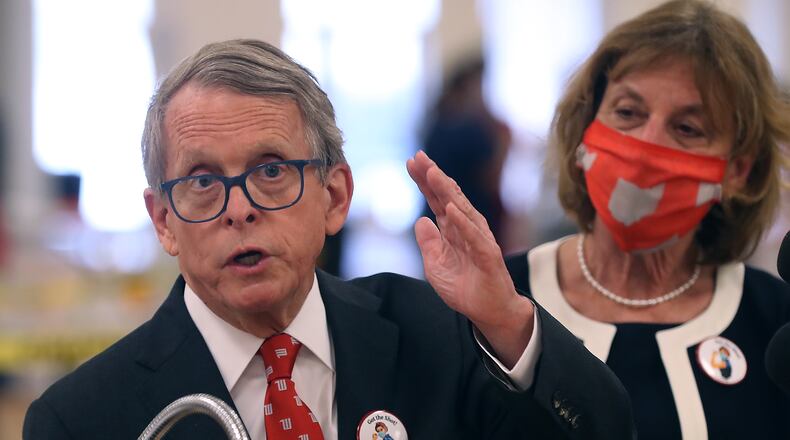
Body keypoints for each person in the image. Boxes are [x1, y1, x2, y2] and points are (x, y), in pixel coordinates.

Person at [22, 40, 634, 439]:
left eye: (270, 171)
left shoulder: (436, 334)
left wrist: (508, 323)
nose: (240, 210)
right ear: (162, 221)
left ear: (335, 197)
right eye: (204, 181)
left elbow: (607, 430)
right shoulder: (79, 419)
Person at [504, 1, 790, 439]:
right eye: (627, 113)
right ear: (585, 128)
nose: (645, 148)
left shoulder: (774, 324)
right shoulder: (498, 300)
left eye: (688, 128)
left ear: (737, 171)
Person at [420, 56, 511, 244]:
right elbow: (491, 179)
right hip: (470, 222)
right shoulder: (470, 130)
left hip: (438, 218)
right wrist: (504, 141)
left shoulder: (436, 124)